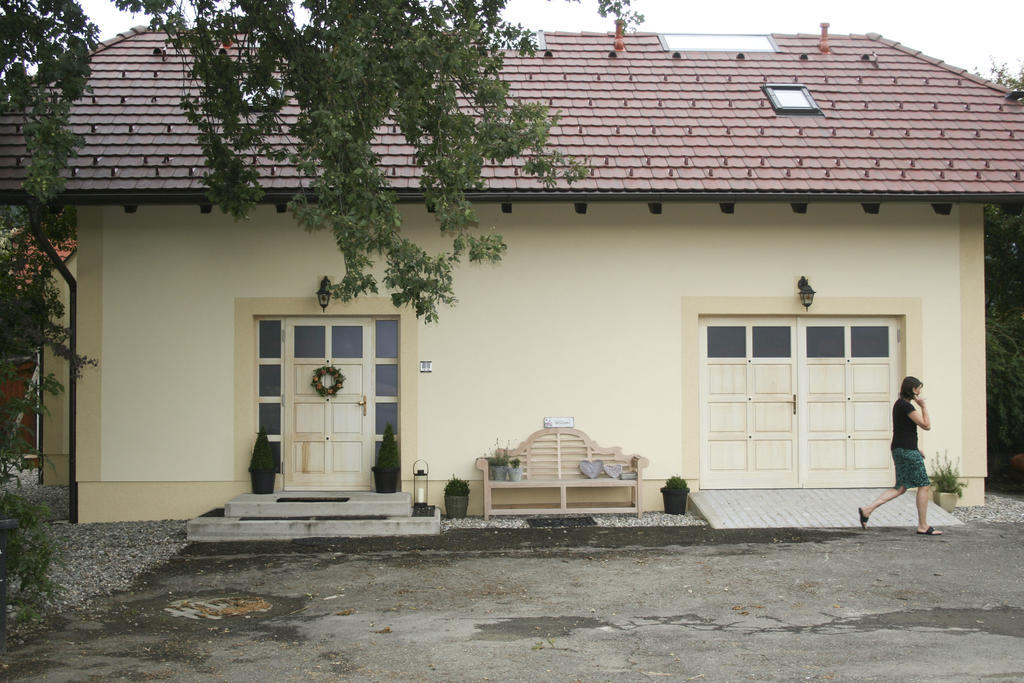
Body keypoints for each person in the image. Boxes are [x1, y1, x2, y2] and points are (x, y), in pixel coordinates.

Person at [858, 376, 942, 535]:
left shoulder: (900, 405)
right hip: (906, 451)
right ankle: (923, 526)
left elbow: (904, 430)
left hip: (902, 449)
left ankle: (867, 510)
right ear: (912, 389)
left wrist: (916, 448)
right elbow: (926, 425)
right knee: (924, 485)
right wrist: (923, 406)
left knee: (901, 487)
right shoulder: (906, 406)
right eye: (918, 389)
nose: (920, 392)